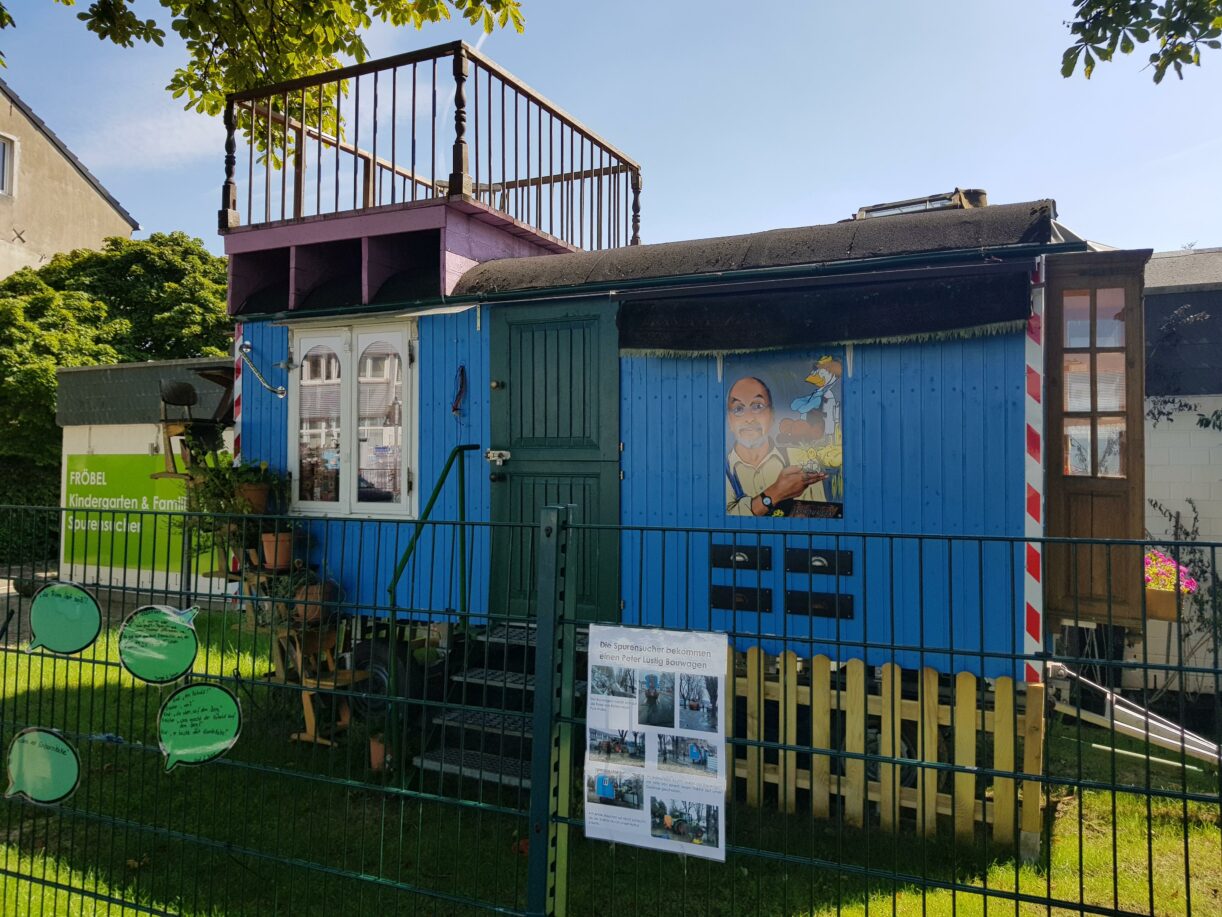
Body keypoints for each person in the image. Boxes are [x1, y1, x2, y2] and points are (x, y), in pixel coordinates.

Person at [725, 376, 826, 516]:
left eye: (757, 406)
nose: (748, 418)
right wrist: (777, 492)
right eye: (738, 409)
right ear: (729, 421)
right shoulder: (719, 471)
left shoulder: (802, 460)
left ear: (772, 415)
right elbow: (721, 519)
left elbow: (819, 519)